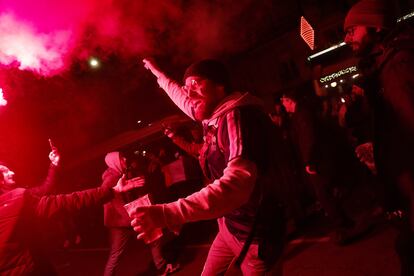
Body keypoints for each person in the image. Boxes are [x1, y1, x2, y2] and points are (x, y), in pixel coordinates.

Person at [131, 58, 287, 275]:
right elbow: (182, 97)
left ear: (219, 85)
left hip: (254, 232)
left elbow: (236, 185)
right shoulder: (215, 112)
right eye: (187, 88)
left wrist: (167, 213)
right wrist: (159, 75)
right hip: (230, 224)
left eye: (196, 85)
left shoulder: (236, 116)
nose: (190, 94)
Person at [344, 0, 414, 275]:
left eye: (352, 30)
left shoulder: (398, 64)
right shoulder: (385, 66)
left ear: (375, 26)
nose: (347, 38)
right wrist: (380, 151)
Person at [0, 148, 130, 275]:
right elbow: (66, 201)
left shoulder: (20, 198)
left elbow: (45, 189)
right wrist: (110, 191)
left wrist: (54, 165)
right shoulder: (18, 199)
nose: (12, 173)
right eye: (4, 172)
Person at [103, 151, 179, 276]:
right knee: (116, 254)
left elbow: (135, 192)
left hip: (130, 216)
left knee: (154, 237)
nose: (125, 159)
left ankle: (162, 267)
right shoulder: (110, 180)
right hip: (119, 223)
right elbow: (115, 204)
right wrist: (135, 217)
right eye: (121, 158)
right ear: (115, 162)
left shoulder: (124, 173)